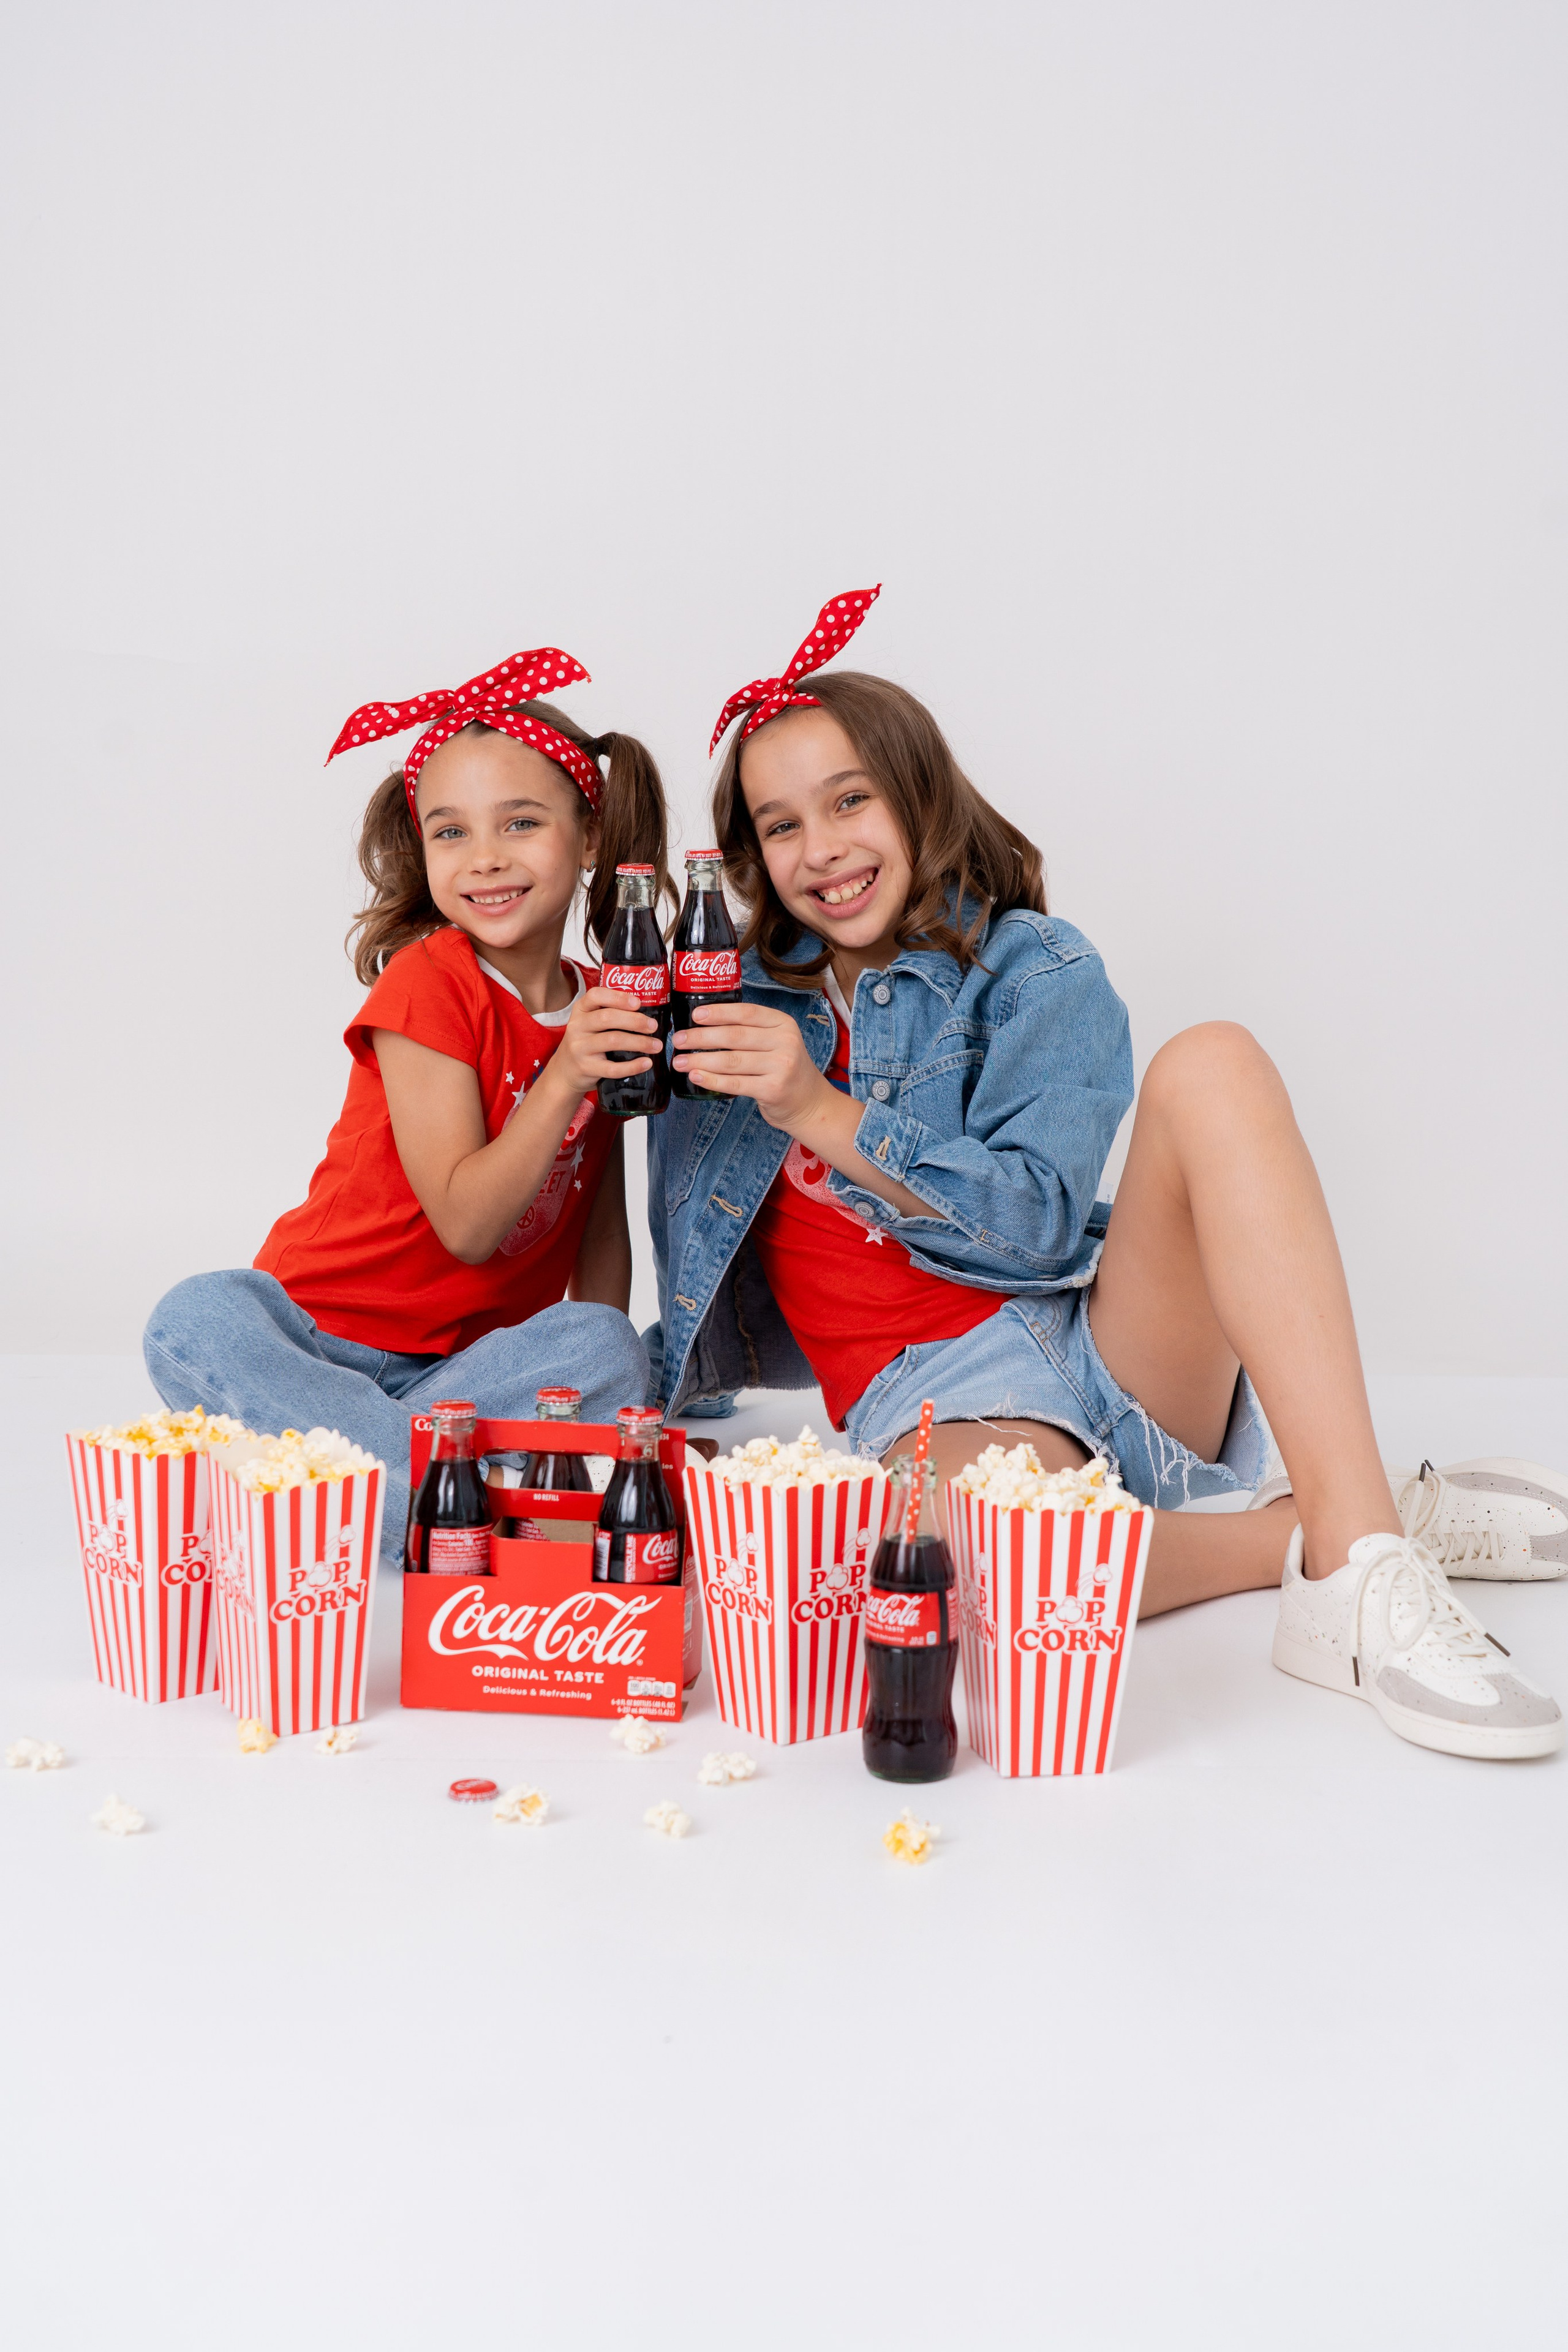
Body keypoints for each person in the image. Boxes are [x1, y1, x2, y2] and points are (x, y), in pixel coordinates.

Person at [647, 589, 1568, 1761]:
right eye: (779, 826)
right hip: (941, 1413)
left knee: (1214, 1061)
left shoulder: (1034, 970)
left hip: (1098, 1340)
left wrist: (824, 1113)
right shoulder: (721, 1014)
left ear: (918, 798)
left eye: (849, 800)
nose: (820, 849)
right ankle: (1344, 1519)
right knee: (937, 1571)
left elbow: (1035, 1225)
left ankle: (1357, 1574)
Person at [145, 646, 668, 1551]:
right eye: (450, 831)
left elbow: (600, 1224)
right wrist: (568, 1074)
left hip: (464, 1374)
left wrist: (598, 1409)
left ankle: (339, 1477)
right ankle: (453, 1510)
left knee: (613, 1347)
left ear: (589, 838)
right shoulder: (430, 982)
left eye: (521, 823)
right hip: (314, 1339)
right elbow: (466, 1223)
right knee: (197, 1316)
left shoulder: (601, 1004)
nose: (485, 859)